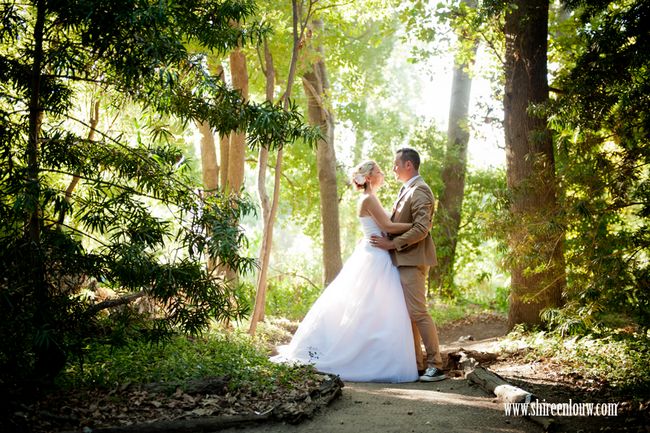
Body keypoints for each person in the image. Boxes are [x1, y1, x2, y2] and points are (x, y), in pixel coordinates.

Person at [271, 160, 418, 383]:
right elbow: (388, 228)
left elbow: (382, 227)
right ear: (369, 177)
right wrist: (417, 226)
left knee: (375, 310)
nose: (383, 174)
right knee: (371, 307)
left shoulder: (370, 198)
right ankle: (362, 358)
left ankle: (372, 354)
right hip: (376, 257)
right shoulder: (368, 199)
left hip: (377, 253)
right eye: (379, 171)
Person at [370, 148, 447, 382]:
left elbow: (422, 229)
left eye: (396, 164)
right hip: (403, 261)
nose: (393, 168)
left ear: (409, 165)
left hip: (412, 260)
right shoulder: (407, 189)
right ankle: (417, 363)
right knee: (409, 315)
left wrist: (393, 245)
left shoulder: (421, 190)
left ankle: (436, 364)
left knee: (418, 312)